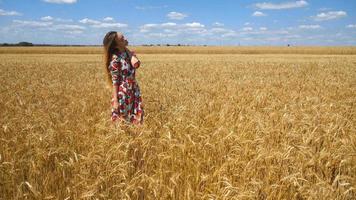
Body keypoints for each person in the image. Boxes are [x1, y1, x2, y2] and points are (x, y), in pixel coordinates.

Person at [103, 31, 144, 125]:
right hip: (123, 92)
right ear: (117, 44)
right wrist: (116, 100)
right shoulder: (115, 59)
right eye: (122, 39)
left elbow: (136, 64)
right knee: (123, 122)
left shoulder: (127, 53)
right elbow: (115, 81)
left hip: (134, 90)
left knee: (137, 120)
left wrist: (130, 53)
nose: (126, 39)